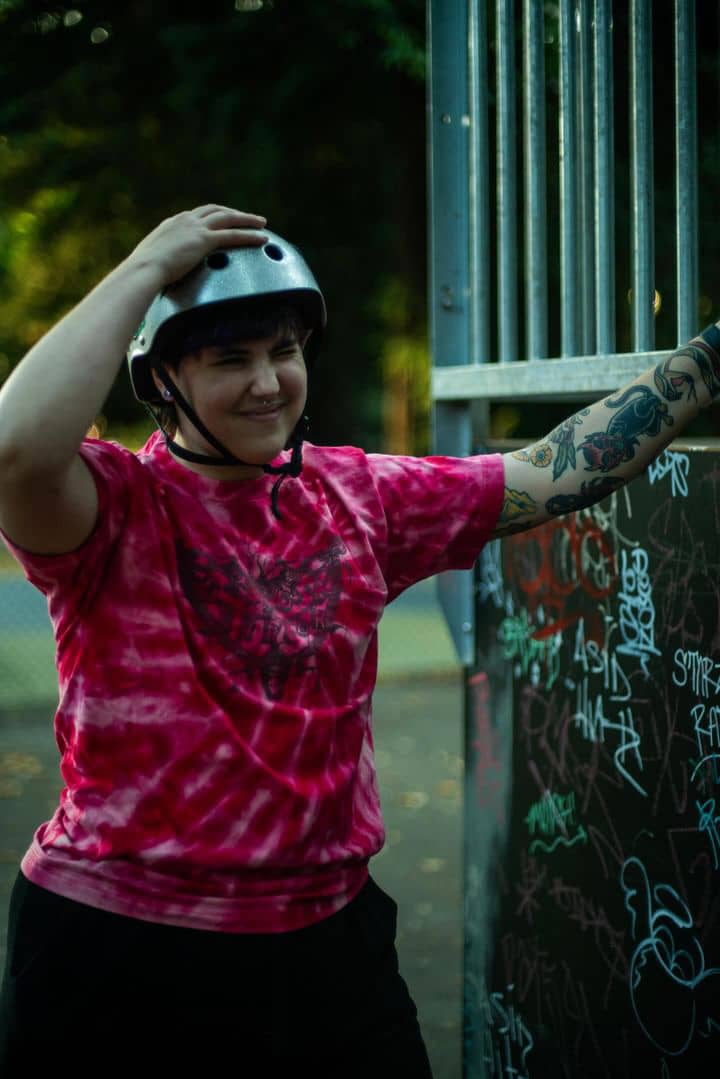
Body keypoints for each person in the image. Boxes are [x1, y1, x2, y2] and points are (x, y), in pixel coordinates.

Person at [0, 204, 717, 1077]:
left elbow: (553, 472)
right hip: (121, 944)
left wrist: (708, 361)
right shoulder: (110, 505)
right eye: (231, 359)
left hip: (326, 942)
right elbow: (13, 449)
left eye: (284, 352)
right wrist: (148, 263)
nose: (268, 382)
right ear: (162, 382)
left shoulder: (361, 495)